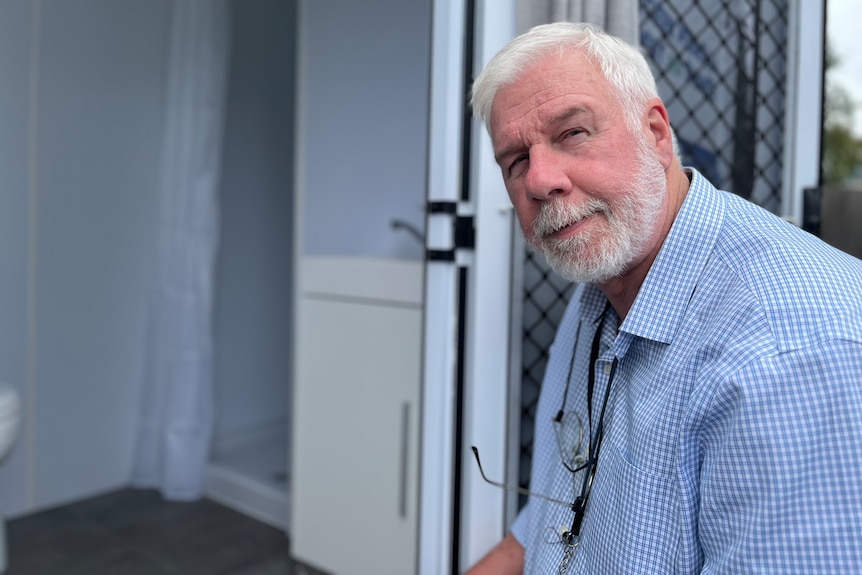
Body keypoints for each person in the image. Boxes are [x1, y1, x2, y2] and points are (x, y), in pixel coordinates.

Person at [466, 21, 862, 574]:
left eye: (572, 132)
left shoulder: (787, 356)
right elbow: (548, 527)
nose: (540, 180)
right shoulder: (603, 288)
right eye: (515, 161)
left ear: (656, 133)